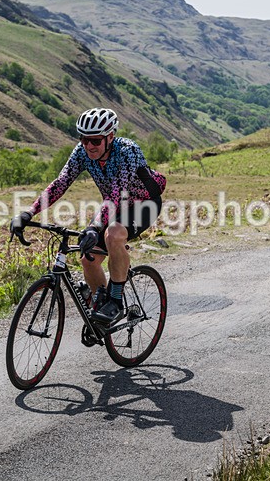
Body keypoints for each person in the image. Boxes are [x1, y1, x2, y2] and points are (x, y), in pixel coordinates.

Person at [10, 108, 166, 324]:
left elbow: (116, 193)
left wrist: (94, 226)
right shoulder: (82, 152)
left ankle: (115, 301)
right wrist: (29, 212)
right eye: (84, 139)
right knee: (88, 259)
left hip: (144, 203)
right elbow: (60, 183)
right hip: (115, 206)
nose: (89, 146)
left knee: (114, 234)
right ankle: (101, 311)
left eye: (95, 140)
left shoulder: (128, 151)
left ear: (110, 136)